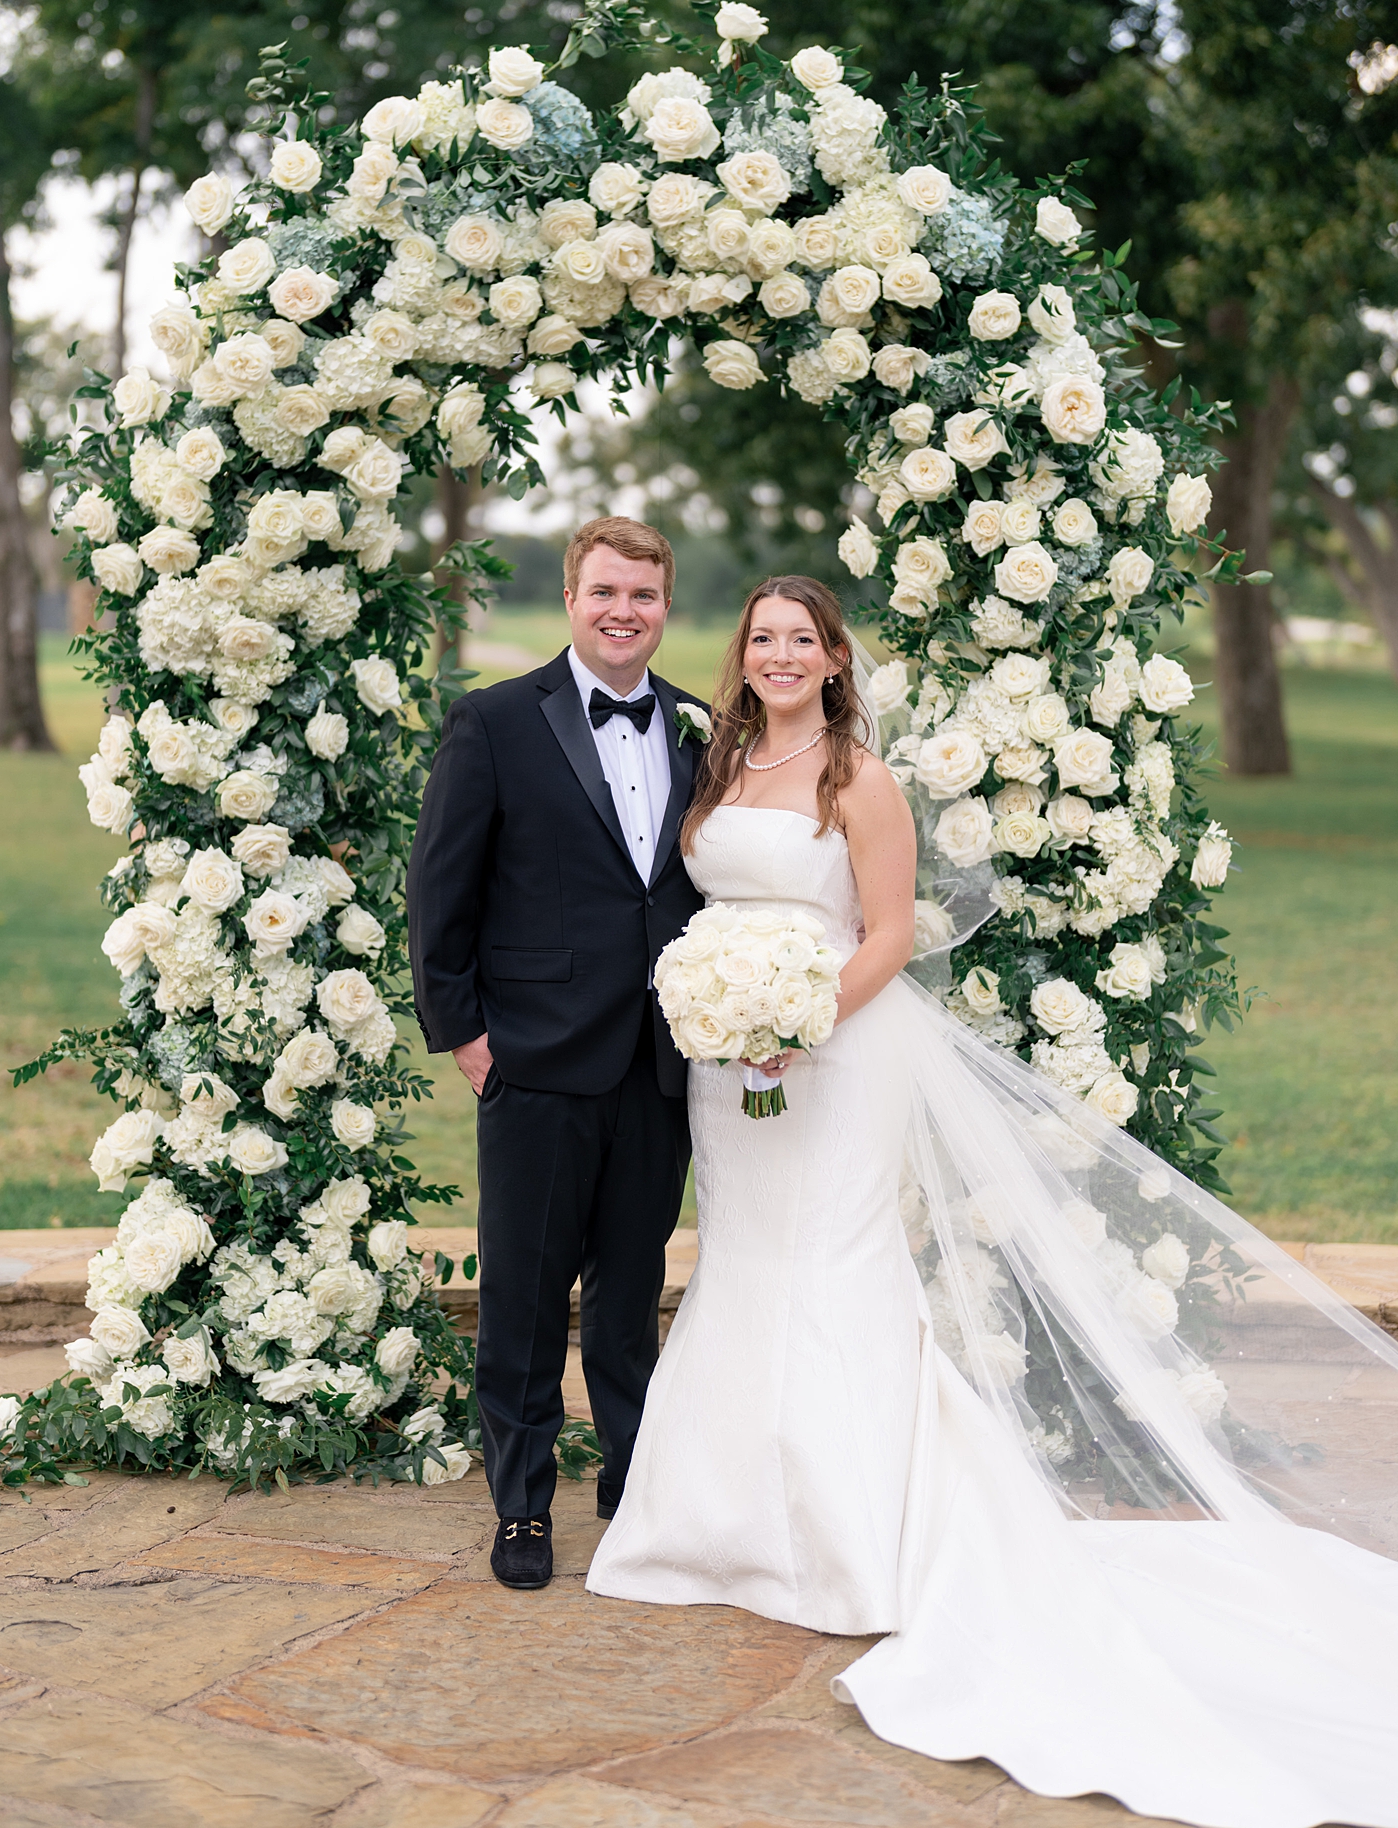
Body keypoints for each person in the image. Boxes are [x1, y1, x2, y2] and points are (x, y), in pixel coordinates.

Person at [587, 573, 1398, 1828]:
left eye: (803, 638)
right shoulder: (720, 764)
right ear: (741, 655)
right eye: (763, 637)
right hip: (725, 1066)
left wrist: (801, 1019)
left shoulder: (859, 776)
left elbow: (890, 930)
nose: (781, 654)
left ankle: (853, 1538)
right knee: (745, 1264)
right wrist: (725, 1012)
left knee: (837, 1263)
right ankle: (718, 1525)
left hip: (834, 1053)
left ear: (835, 658)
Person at [407, 516, 705, 1589]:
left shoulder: (700, 728)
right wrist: (464, 1034)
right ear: (572, 598)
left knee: (630, 1297)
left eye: (643, 594)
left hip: (659, 1065)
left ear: (665, 605)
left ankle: (632, 1484)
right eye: (605, 592)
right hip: (532, 1059)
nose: (624, 611)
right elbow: (439, 888)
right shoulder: (494, 721)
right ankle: (523, 1505)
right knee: (524, 1299)